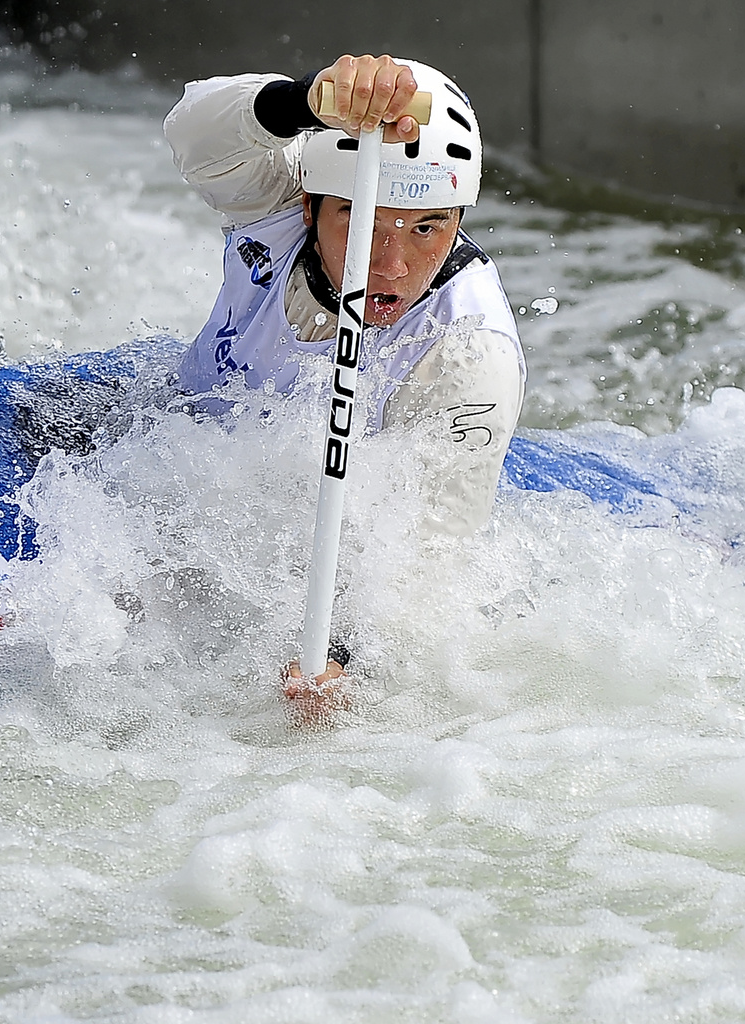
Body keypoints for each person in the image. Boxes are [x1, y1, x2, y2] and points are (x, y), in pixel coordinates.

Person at [163, 54, 526, 722]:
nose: (389, 264)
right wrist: (302, 102)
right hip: (172, 445)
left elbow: (428, 555)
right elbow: (193, 128)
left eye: (426, 228)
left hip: (312, 552)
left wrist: (342, 654)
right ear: (308, 206)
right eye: (362, 222)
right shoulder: (270, 201)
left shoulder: (466, 353)